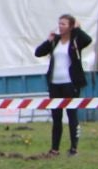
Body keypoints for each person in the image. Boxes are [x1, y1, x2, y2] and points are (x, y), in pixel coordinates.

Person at [33, 14, 92, 157]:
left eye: (64, 24)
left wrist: (77, 29)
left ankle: (74, 148)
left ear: (71, 26)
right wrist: (48, 40)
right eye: (59, 23)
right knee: (56, 117)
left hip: (70, 83)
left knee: (72, 115)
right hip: (55, 83)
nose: (60, 26)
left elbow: (88, 40)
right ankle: (55, 149)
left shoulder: (76, 41)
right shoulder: (56, 41)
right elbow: (38, 53)